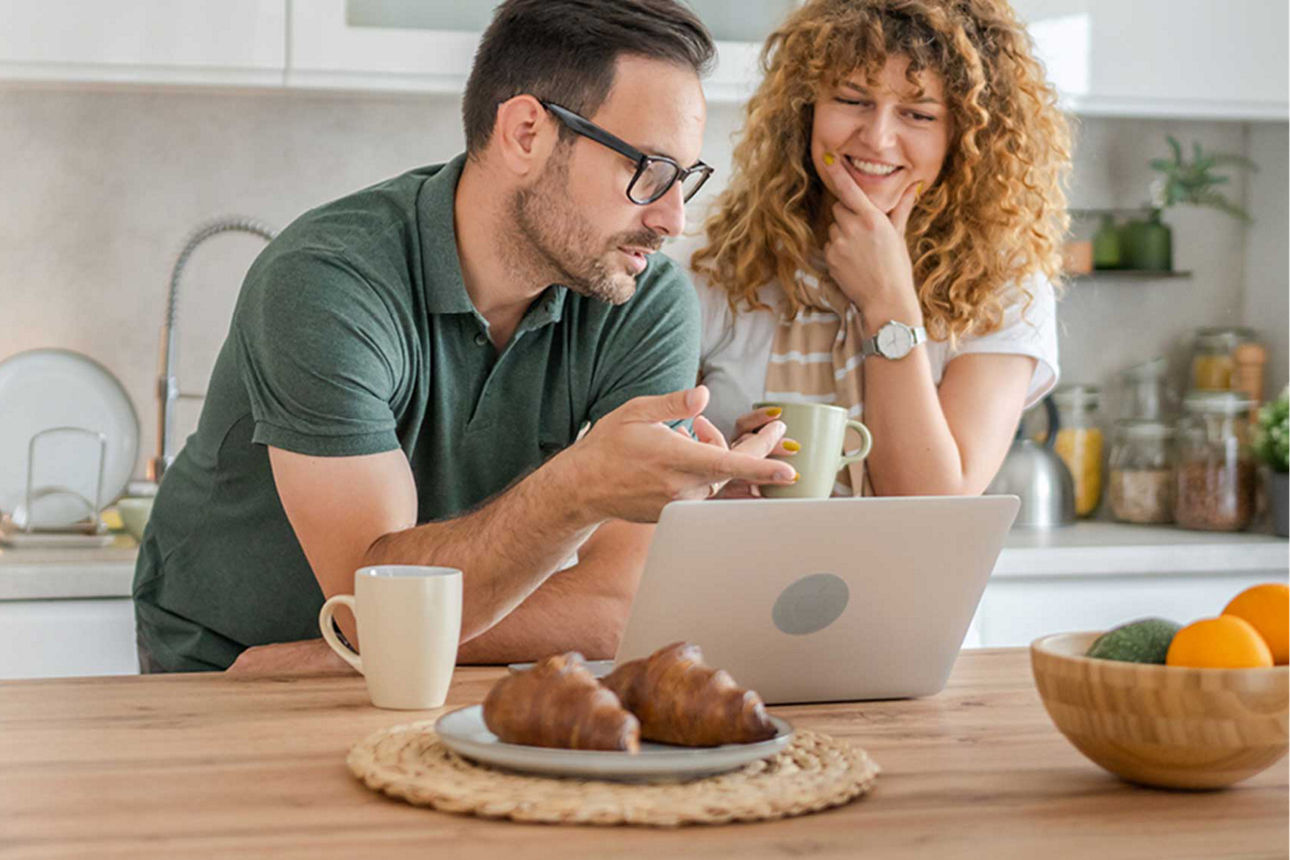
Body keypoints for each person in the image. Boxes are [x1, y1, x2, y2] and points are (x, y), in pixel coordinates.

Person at [132, 0, 798, 675]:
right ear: (526, 133)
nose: (673, 220)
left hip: (363, 664)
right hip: (229, 667)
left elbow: (613, 608)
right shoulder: (328, 280)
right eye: (649, 170)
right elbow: (371, 608)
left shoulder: (640, 297)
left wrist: (331, 657)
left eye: (685, 178)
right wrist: (576, 488)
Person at [690, 0, 1070, 497]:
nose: (878, 139)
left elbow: (933, 507)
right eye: (852, 100)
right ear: (805, 108)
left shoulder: (1004, 287)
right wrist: (718, 482)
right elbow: (647, 487)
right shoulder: (715, 260)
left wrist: (888, 302)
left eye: (919, 114)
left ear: (964, 135)